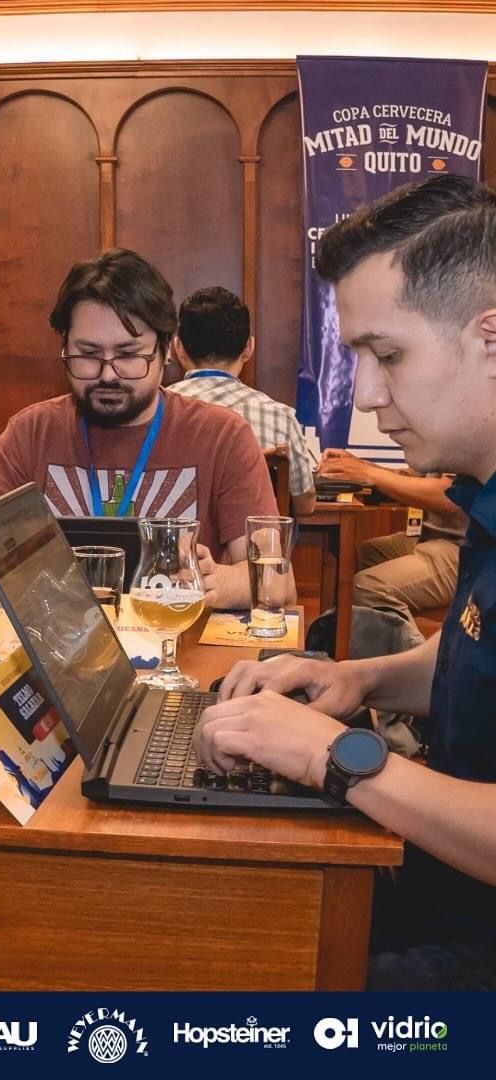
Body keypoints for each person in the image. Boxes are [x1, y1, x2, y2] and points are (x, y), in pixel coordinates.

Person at [195, 174, 496, 989]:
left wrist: (337, 757)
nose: (363, 395)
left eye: (386, 355)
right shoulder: (484, 492)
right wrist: (352, 677)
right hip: (441, 880)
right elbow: (472, 660)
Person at [0, 249, 288, 609]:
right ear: (63, 346)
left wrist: (218, 581)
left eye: (129, 355)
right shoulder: (29, 435)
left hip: (178, 653)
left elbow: (278, 581)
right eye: (88, 354)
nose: (108, 373)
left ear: (167, 349)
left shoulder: (223, 436)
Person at [170, 286, 316, 517]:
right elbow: (304, 505)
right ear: (249, 348)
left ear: (177, 348)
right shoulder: (280, 416)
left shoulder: (156, 411)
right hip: (256, 548)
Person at [318, 448, 465, 626]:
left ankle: (416, 653)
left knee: (367, 588)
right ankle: (337, 645)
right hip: (427, 538)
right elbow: (410, 478)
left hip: (466, 549)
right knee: (346, 557)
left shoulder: (472, 431)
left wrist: (368, 473)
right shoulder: (445, 432)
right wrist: (358, 465)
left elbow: (451, 496)